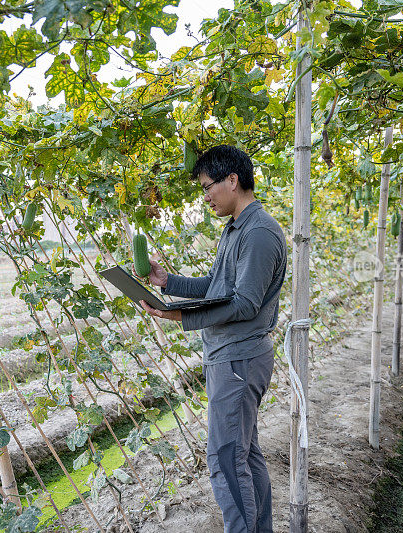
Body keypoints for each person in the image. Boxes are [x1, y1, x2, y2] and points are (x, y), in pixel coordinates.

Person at [138, 145, 287, 533]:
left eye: (208, 187)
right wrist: (167, 283)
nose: (205, 196)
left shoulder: (259, 234)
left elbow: (243, 304)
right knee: (245, 454)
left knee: (224, 458)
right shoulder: (237, 229)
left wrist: (177, 314)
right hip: (230, 357)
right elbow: (216, 286)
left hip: (238, 360)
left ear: (232, 181)